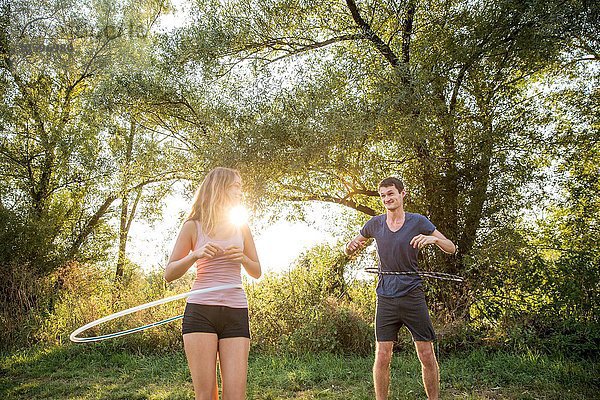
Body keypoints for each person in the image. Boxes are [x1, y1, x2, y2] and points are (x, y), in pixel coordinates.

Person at [345, 177, 456, 400]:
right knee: (383, 355)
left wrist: (432, 240)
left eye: (391, 193)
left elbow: (451, 247)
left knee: (426, 353)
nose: (387, 198)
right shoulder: (374, 224)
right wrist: (349, 247)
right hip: (385, 297)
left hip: (412, 295)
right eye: (383, 195)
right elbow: (350, 248)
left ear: (402, 194)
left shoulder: (418, 221)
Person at [164, 167, 261, 400]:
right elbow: (169, 273)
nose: (240, 191)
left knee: (235, 396)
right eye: (236, 186)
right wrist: (195, 255)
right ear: (220, 189)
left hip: (235, 310)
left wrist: (243, 258)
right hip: (201, 311)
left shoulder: (241, 226)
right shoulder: (192, 226)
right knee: (206, 395)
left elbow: (256, 271)